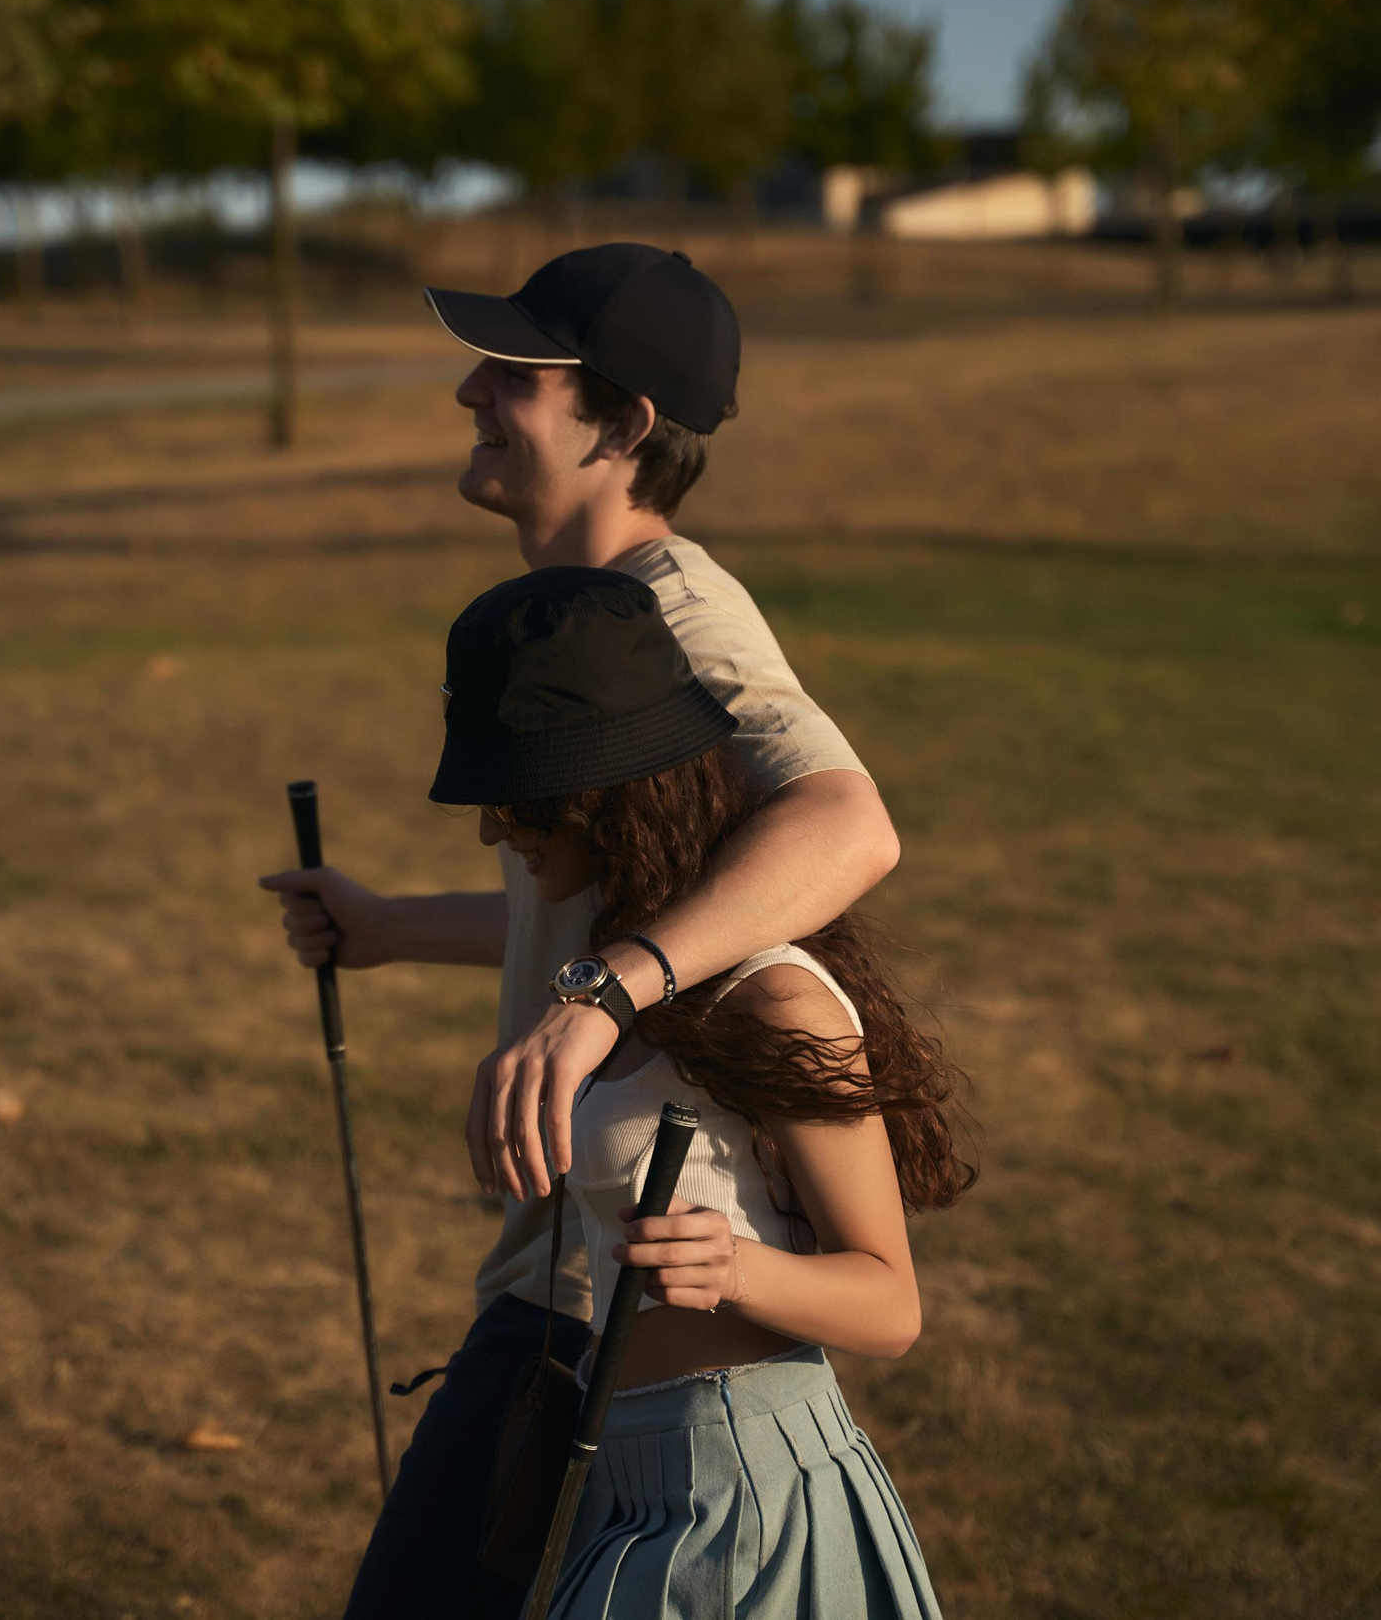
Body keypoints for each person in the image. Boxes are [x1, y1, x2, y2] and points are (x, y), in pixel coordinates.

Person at [256, 244, 900, 1618]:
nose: (469, 393)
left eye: (516, 374)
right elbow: (624, 896)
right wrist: (388, 928)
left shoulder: (676, 616)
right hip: (562, 1268)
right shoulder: (586, 618)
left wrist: (601, 996)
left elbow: (850, 827)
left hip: (598, 1300)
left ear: (623, 426)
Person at [431, 565, 972, 1618]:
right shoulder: (621, 966)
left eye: (514, 797)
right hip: (616, 1469)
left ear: (607, 792)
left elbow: (891, 1305)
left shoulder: (772, 998)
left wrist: (733, 1266)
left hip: (742, 1488)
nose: (493, 830)